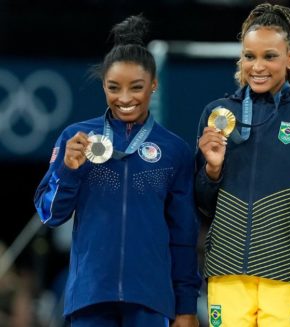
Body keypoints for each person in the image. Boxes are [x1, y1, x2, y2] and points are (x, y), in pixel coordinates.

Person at [33, 14, 201, 327]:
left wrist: (187, 305)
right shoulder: (77, 139)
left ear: (154, 84)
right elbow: (49, 214)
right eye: (114, 87)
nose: (124, 99)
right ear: (103, 85)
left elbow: (183, 235)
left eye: (136, 87)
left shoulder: (174, 150)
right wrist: (68, 171)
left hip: (151, 299)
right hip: (90, 295)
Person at [195, 3, 290, 326]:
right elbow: (203, 206)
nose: (257, 66)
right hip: (226, 272)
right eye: (249, 56)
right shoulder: (217, 115)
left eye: (269, 56)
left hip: (287, 274)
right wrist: (212, 172)